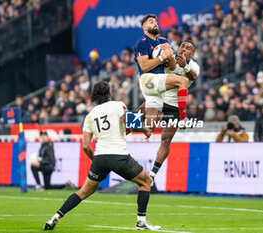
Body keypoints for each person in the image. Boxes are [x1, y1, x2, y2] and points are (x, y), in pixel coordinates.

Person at [43, 81, 160, 231]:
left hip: (100, 158)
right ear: (110, 94)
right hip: (118, 155)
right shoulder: (118, 105)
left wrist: (95, 161)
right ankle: (141, 221)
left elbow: (86, 146)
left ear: (94, 97)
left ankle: (55, 217)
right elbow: (128, 124)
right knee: (146, 182)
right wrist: (145, 130)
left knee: (84, 192)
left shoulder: (90, 116)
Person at [149, 40, 200, 183]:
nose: (184, 48)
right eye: (182, 45)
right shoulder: (168, 57)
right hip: (159, 98)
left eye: (188, 47)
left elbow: (193, 76)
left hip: (174, 106)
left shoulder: (194, 66)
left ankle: (152, 174)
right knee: (145, 125)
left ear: (193, 53)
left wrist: (185, 67)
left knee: (165, 140)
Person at [134, 14, 189, 133]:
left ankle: (124, 123)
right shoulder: (142, 43)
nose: (155, 23)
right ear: (144, 27)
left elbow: (173, 67)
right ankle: (183, 117)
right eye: (151, 22)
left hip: (157, 85)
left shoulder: (163, 41)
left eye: (156, 21)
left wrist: (169, 57)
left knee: (149, 128)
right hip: (148, 79)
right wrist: (163, 56)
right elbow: (144, 66)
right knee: (183, 81)